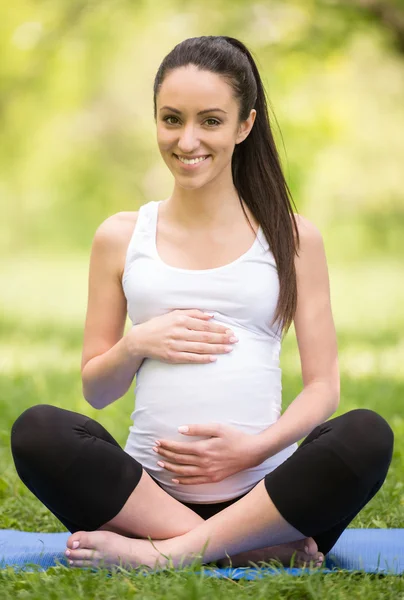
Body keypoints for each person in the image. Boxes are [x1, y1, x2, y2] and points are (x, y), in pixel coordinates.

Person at [10, 35, 394, 572]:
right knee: (36, 431)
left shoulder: (294, 237)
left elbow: (323, 387)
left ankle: (170, 555)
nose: (187, 139)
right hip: (145, 502)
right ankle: (248, 550)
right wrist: (135, 342)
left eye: (210, 121)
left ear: (245, 125)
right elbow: (98, 391)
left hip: (270, 497)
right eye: (171, 119)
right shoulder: (121, 237)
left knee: (366, 434)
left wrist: (254, 450)